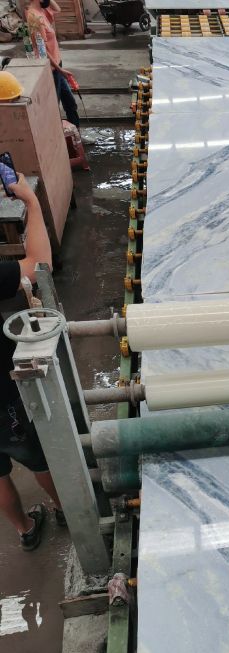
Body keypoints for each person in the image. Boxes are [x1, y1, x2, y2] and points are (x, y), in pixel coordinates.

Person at [0, 173, 65, 550]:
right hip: (3, 401)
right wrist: (31, 202)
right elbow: (39, 266)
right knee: (38, 457)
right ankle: (66, 509)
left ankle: (25, 529)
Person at [26, 0, 80, 129]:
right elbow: (42, 49)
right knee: (54, 105)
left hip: (57, 65)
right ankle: (55, 135)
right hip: (52, 69)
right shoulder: (34, 17)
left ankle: (75, 133)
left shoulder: (41, 11)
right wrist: (59, 69)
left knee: (70, 103)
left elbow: (57, 9)